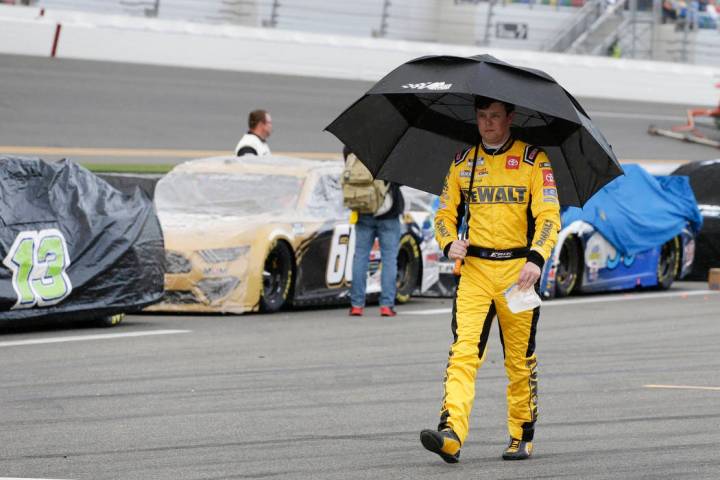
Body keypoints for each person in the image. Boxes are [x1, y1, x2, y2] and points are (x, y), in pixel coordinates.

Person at [420, 96, 561, 463]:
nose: (487, 124)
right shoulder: (463, 163)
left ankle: (521, 434)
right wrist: (450, 242)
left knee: (518, 360)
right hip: (476, 273)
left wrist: (536, 258)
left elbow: (549, 216)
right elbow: (443, 215)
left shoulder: (534, 160)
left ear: (510, 117)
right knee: (463, 352)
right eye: (482, 116)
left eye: (495, 116)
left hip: (519, 275)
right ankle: (451, 433)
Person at [344, 147, 405, 318]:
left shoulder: (350, 147)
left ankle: (356, 305)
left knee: (360, 256)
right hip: (388, 212)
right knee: (389, 259)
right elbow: (399, 179)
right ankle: (386, 305)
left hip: (363, 209)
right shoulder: (391, 147)